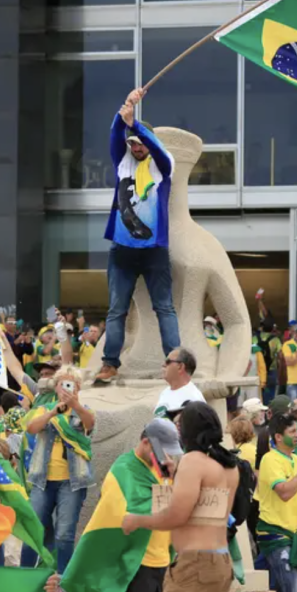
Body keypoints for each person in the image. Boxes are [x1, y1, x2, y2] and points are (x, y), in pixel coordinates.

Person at [95, 87, 180, 383]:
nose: (136, 146)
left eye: (141, 141)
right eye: (132, 142)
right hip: (122, 250)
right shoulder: (123, 161)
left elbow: (156, 148)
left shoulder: (162, 162)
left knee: (164, 308)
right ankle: (109, 363)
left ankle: (176, 362)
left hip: (154, 249)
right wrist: (127, 107)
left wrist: (137, 126)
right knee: (117, 310)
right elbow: (114, 132)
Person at [121, 402, 240, 592]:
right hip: (220, 561)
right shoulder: (227, 465)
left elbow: (177, 516)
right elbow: (207, 512)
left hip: (196, 564)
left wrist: (136, 520)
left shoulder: (193, 462)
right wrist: (176, 476)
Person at [65, 418, 183, 592]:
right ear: (146, 442)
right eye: (163, 449)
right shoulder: (124, 469)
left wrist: (171, 479)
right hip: (136, 566)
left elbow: (168, 506)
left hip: (162, 563)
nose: (167, 456)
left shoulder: (161, 469)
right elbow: (139, 509)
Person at [21, 365, 95, 588]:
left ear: (78, 387)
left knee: (64, 533)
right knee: (33, 528)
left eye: (70, 384)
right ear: (56, 386)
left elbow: (90, 424)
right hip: (42, 480)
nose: (66, 388)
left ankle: (64, 582)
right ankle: (25, 579)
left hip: (71, 482)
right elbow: (31, 429)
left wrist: (74, 406)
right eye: (63, 384)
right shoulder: (45, 409)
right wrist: (54, 412)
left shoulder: (84, 410)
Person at [254, 412, 297, 592]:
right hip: (274, 533)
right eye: (292, 431)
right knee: (294, 591)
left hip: (293, 534)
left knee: (292, 590)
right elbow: (284, 493)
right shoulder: (270, 460)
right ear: (278, 437)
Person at [154, 347, 205, 419]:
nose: (163, 365)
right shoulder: (165, 392)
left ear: (180, 367)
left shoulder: (194, 399)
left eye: (168, 361)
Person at [280, 325, 297, 399]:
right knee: (293, 407)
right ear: (295, 334)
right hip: (293, 381)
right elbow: (289, 362)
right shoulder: (288, 344)